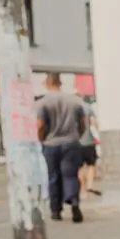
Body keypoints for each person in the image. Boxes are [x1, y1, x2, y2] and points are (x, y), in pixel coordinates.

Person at [36, 72, 87, 222]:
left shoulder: (43, 103)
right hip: (71, 143)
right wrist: (78, 135)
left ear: (46, 83)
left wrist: (41, 139)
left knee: (53, 177)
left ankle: (55, 211)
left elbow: (39, 125)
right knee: (70, 175)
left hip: (51, 144)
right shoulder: (75, 101)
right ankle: (74, 203)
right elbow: (83, 122)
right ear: (60, 83)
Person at [78, 98, 101, 200]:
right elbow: (94, 122)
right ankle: (90, 185)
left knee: (80, 167)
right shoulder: (88, 107)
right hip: (89, 141)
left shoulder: (72, 107)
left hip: (77, 142)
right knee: (91, 164)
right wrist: (98, 133)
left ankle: (83, 188)